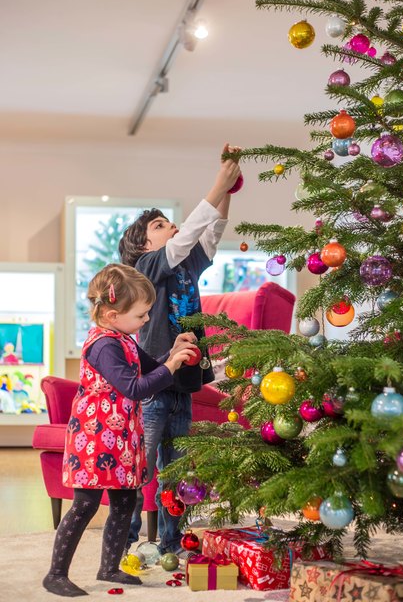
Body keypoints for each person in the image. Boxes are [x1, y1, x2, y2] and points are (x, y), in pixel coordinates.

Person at [43, 263, 197, 597]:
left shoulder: (123, 338)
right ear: (113, 314)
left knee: (126, 502)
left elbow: (150, 367)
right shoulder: (104, 345)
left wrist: (172, 354)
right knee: (84, 506)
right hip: (96, 438)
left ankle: (109, 567)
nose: (145, 320)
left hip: (122, 437)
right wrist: (171, 366)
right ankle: (55, 574)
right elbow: (135, 387)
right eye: (141, 315)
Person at [118, 143, 241, 557]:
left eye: (169, 222)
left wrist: (229, 187)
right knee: (142, 466)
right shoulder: (148, 267)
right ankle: (127, 538)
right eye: (160, 225)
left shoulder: (186, 265)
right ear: (144, 245)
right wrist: (216, 183)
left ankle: (172, 542)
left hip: (182, 385)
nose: (171, 227)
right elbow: (190, 232)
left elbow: (212, 231)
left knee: (177, 470)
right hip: (153, 385)